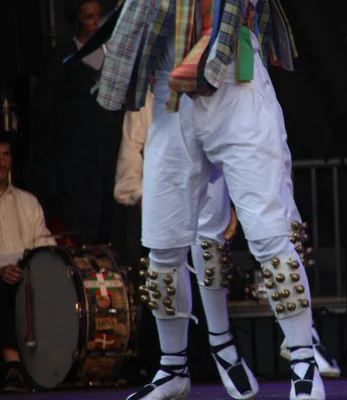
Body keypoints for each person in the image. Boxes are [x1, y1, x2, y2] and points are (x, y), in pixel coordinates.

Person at [74, 1, 326, 399]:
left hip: (234, 83)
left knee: (268, 234)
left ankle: (303, 361)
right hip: (171, 88)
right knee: (163, 241)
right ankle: (173, 369)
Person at [115, 89, 341, 379]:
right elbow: (129, 172)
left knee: (277, 217)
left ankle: (300, 341)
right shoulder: (151, 94)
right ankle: (217, 343)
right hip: (177, 104)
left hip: (234, 92)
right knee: (192, 238)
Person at [31, 0, 124, 246]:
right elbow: (44, 106)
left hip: (111, 148)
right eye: (88, 17)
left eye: (99, 16)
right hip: (77, 156)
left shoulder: (114, 55)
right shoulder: (63, 56)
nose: (96, 23)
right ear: (76, 21)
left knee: (113, 214)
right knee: (83, 218)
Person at [0, 134, 56, 392]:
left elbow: (46, 247)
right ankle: (13, 364)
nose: (2, 162)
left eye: (6, 155)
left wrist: (30, 268)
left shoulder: (28, 201)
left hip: (27, 275)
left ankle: (53, 365)